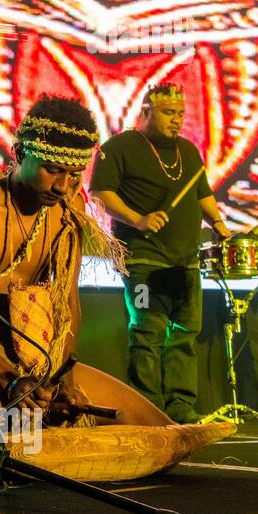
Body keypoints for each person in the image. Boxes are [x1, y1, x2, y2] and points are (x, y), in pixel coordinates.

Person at [0, 96, 173, 435]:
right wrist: (8, 379)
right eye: (52, 170)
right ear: (19, 154)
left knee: (159, 431)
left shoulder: (67, 215)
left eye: (74, 175)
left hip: (43, 357)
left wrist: (64, 377)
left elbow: (68, 304)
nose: (62, 186)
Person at [90, 84, 233, 423]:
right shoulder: (120, 147)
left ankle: (181, 406)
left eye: (181, 114)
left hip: (185, 260)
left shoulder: (187, 151)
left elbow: (202, 194)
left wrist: (217, 223)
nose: (177, 120)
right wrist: (138, 219)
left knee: (185, 333)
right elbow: (100, 192)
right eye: (169, 113)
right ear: (146, 112)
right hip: (143, 258)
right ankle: (148, 408)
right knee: (147, 333)